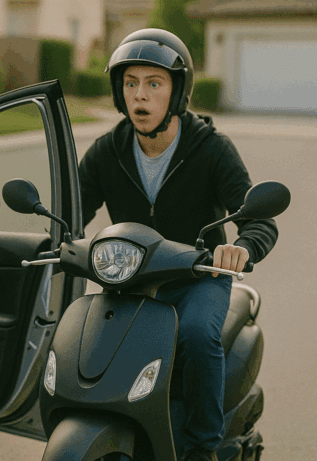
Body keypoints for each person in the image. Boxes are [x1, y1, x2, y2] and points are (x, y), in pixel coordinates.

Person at [78, 28, 278, 461]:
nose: (140, 96)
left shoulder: (211, 149)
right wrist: (57, 233)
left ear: (177, 92)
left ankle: (203, 447)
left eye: (154, 83)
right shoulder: (107, 151)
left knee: (196, 335)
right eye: (130, 84)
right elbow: (72, 207)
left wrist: (242, 246)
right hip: (131, 276)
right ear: (119, 91)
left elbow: (258, 217)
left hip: (199, 276)